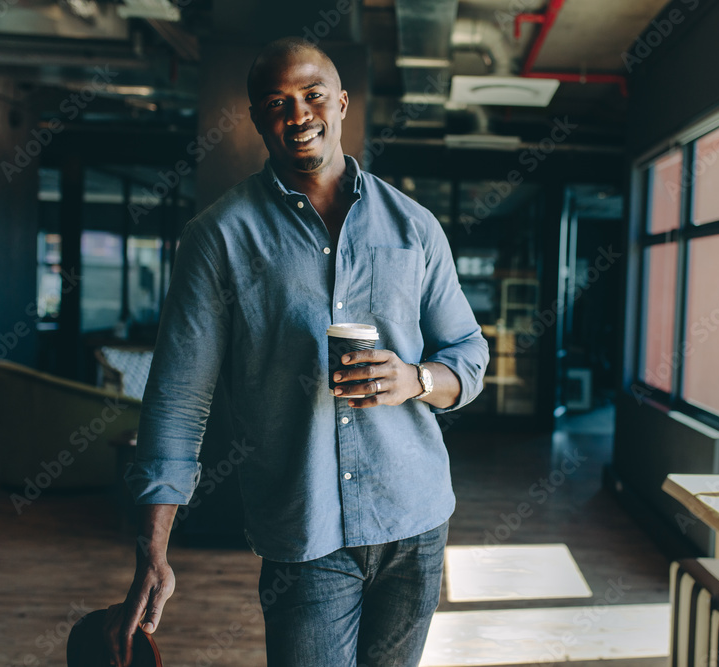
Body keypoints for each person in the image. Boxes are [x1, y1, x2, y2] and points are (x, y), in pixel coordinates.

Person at [104, 37, 488, 667]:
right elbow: (177, 399)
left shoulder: (413, 226)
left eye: (312, 96)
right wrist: (153, 547)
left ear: (340, 104)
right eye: (277, 103)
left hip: (414, 519)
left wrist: (416, 379)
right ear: (258, 119)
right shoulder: (219, 238)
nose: (299, 114)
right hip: (302, 533)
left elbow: (469, 354)